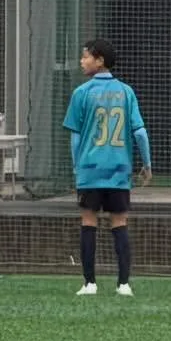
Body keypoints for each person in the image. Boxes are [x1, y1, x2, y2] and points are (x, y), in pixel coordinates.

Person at [62, 38, 152, 297]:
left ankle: (89, 283)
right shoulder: (126, 92)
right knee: (119, 223)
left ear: (99, 60)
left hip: (90, 170)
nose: (82, 61)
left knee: (88, 221)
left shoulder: (81, 93)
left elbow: (75, 136)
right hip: (119, 170)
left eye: (86, 56)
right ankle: (123, 284)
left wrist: (77, 167)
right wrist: (147, 164)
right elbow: (140, 132)